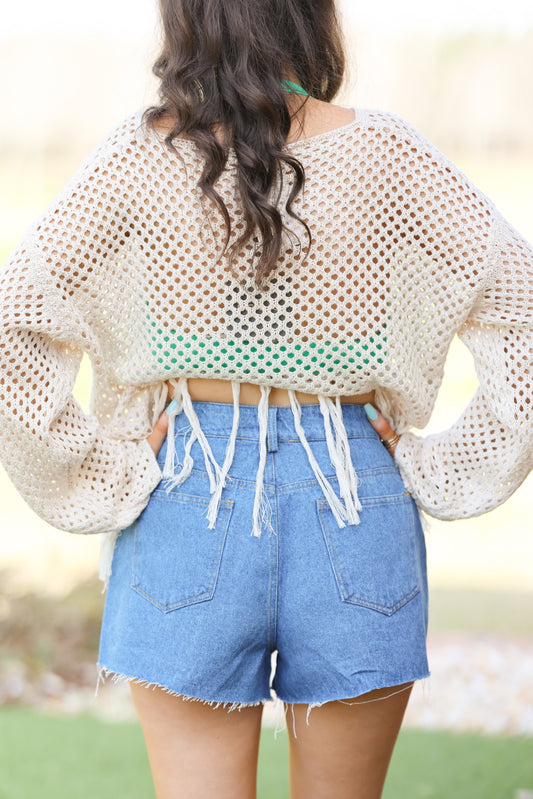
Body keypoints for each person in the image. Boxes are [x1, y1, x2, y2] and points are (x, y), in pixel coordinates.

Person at [0, 0, 531, 796]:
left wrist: (101, 471)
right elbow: (520, 307)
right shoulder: (386, 152)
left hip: (187, 488)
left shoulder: (134, 159)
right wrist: (443, 463)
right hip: (354, 491)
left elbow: (16, 324)